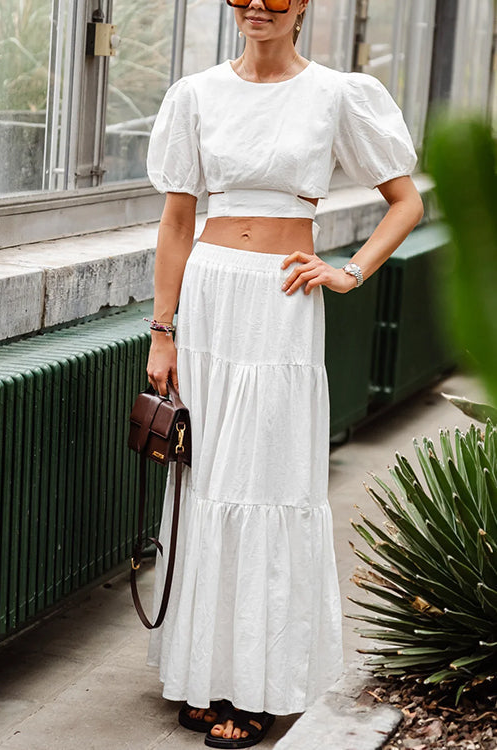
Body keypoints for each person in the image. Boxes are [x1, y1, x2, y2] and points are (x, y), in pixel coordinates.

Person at [145, 0, 424, 747]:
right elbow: (177, 221)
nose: (256, 8)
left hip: (281, 300)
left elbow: (406, 201)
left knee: (265, 484)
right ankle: (206, 674)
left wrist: (351, 271)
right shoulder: (197, 93)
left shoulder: (338, 94)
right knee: (205, 487)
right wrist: (162, 332)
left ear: (302, 4)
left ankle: (259, 683)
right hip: (209, 299)